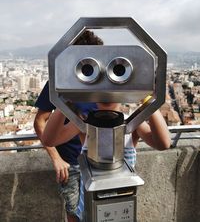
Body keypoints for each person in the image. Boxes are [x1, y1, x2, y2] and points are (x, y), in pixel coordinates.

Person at [41, 102, 171, 220]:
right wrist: (66, 101)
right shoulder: (85, 124)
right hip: (89, 206)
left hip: (121, 208)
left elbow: (163, 143)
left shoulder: (132, 123)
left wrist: (149, 101)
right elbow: (49, 140)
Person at [34, 30, 103, 222]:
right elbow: (40, 121)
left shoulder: (105, 83)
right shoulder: (60, 82)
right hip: (71, 162)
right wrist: (56, 159)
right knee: (74, 214)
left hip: (98, 160)